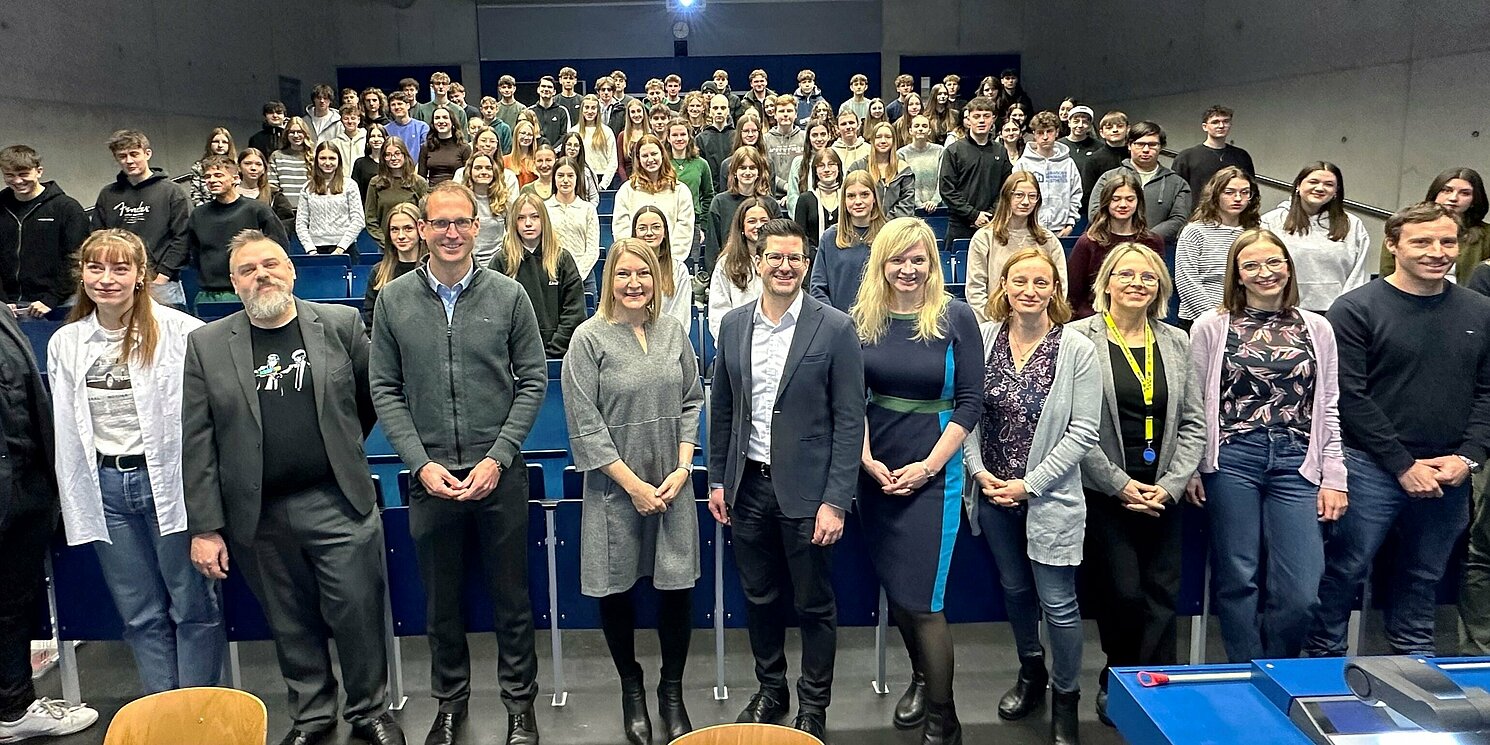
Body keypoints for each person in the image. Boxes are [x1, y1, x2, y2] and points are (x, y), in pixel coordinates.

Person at [183, 231, 403, 745]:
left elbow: (369, 400)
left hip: (337, 501)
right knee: (288, 620)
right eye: (247, 269)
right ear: (233, 282)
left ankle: (369, 711)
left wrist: (338, 447)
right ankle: (312, 715)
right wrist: (206, 527)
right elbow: (197, 440)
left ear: (292, 270)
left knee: (358, 611)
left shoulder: (341, 324)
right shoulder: (207, 345)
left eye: (270, 264)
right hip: (258, 511)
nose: (261, 275)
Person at [370, 181, 546, 745]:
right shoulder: (393, 300)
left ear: (477, 227)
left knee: (512, 601)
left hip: (500, 475)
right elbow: (384, 388)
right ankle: (450, 705)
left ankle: (520, 707)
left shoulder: (509, 296)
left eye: (461, 222)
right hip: (431, 478)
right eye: (440, 223)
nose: (451, 233)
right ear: (422, 230)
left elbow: (533, 380)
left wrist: (499, 456)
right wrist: (419, 463)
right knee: (441, 604)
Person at [1306, 202, 1490, 661]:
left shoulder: (1481, 311)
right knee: (1344, 571)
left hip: (1448, 471)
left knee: (1423, 576)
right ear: (1393, 245)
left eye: (1447, 242)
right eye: (1422, 242)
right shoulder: (1355, 309)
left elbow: (1488, 392)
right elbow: (1349, 397)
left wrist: (1468, 457)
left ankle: (1416, 666)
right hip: (1371, 467)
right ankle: (1323, 665)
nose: (1437, 251)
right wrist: (1403, 466)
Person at [47, 229, 224, 695]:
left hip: (169, 482)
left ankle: (196, 713)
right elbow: (66, 429)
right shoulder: (66, 342)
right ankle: (162, 712)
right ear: (82, 274)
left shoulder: (182, 331)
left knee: (193, 607)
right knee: (140, 614)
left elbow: (209, 414)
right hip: (106, 489)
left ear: (141, 275)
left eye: (120, 268)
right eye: (95, 268)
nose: (106, 279)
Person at [707, 218, 864, 740]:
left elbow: (850, 420)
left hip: (810, 494)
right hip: (748, 487)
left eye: (794, 258)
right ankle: (771, 688)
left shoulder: (835, 328)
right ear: (758, 261)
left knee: (814, 604)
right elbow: (723, 409)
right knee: (759, 597)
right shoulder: (733, 326)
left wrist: (836, 500)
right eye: (774, 256)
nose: (784, 266)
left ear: (806, 263)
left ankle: (813, 704)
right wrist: (717, 480)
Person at [560, 237, 704, 745]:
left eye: (643, 273)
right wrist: (634, 486)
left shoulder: (673, 332)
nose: (634, 283)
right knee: (616, 590)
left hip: (671, 485)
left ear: (656, 279)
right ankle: (632, 688)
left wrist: (683, 467)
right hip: (615, 489)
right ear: (609, 281)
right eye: (623, 274)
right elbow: (585, 423)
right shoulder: (588, 339)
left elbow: (692, 399)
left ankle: (672, 691)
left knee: (676, 590)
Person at [1184, 228, 1346, 667]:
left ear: (1288, 268)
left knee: (1301, 592)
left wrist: (1335, 476)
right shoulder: (1211, 326)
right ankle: (1247, 670)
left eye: (1274, 262)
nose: (1265, 272)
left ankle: (1278, 667)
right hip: (1232, 459)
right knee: (1238, 578)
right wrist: (1193, 467)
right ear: (1237, 275)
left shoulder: (1318, 327)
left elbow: (1328, 404)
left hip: (1297, 461)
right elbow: (1195, 403)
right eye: (1251, 265)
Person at [964, 247, 1099, 745]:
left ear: (1055, 290)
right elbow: (966, 413)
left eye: (1041, 282)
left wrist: (1030, 483)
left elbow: (1083, 432)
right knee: (1016, 591)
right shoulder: (982, 339)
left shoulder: (1077, 348)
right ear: (1004, 286)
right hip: (993, 494)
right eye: (1019, 281)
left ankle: (1066, 698)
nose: (1029, 290)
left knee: (1058, 603)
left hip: (1051, 498)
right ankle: (1031, 672)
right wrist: (979, 473)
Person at [855, 217, 981, 745]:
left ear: (933, 263)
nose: (908, 269)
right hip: (876, 472)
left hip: (935, 470)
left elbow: (970, 402)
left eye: (918, 259)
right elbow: (852, 396)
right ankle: (922, 678)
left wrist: (928, 466)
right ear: (881, 264)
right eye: (897, 260)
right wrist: (864, 457)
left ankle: (943, 719)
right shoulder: (862, 318)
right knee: (899, 591)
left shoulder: (956, 316)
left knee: (926, 601)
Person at [1068, 242, 1204, 724]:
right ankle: (1119, 676)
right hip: (1105, 490)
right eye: (1125, 274)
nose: (1137, 283)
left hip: (1163, 489)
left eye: (1147, 277)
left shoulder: (1176, 340)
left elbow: (1193, 421)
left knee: (1162, 593)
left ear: (1160, 287)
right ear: (1106, 282)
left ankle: (1155, 685)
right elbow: (1073, 424)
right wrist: (1119, 484)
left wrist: (1171, 484)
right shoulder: (1078, 338)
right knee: (1122, 593)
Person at [0, 304, 99, 744]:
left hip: (23, 490)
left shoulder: (3, 316)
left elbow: (27, 402)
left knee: (12, 604)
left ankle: (13, 708)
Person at [92, 129, 190, 308]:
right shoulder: (108, 194)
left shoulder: (172, 192)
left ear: (147, 153)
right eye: (122, 156)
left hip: (161, 284)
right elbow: (98, 238)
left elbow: (183, 238)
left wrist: (163, 275)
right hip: (118, 282)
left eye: (134, 154)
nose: (129, 161)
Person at [1258, 162, 1371, 312]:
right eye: (1313, 182)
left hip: (1336, 312)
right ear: (1298, 185)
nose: (1319, 188)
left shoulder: (1353, 225)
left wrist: (1347, 309)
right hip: (1283, 310)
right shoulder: (1270, 222)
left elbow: (1359, 275)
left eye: (1328, 184)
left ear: (1336, 191)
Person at [491, 193, 585, 359]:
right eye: (521, 218)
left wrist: (553, 351)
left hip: (558, 356)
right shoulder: (501, 261)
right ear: (514, 223)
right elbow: (494, 315)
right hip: (514, 359)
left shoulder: (562, 259)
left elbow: (574, 313)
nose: (528, 223)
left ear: (544, 220)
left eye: (534, 217)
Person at [0, 145, 89, 318]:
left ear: (39, 171)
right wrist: (2, 300)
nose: (17, 181)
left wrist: (51, 299)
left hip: (55, 304)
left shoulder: (67, 208)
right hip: (7, 305)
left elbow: (76, 258)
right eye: (9, 175)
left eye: (23, 174)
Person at [186, 156, 288, 305]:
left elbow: (279, 248)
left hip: (251, 292)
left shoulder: (258, 210)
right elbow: (194, 254)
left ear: (235, 179)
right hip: (209, 294)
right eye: (208, 176)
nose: (212, 180)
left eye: (218, 175)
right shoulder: (198, 215)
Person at [967, 173, 1069, 322]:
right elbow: (975, 289)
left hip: (1039, 323)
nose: (1026, 202)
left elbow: (1060, 287)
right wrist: (994, 323)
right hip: (995, 322)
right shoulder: (984, 238)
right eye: (1019, 195)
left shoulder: (1048, 240)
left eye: (1032, 196)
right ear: (1007, 196)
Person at [1067, 174, 1165, 319]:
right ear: (1106, 202)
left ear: (1138, 202)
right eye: (1116, 199)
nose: (1123, 204)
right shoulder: (1089, 242)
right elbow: (1073, 294)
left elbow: (1158, 287)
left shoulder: (1152, 242)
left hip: (1140, 317)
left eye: (1130, 199)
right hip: (1095, 318)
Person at [1175, 166, 1261, 324]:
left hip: (1243, 319)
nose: (1238, 198)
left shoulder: (1255, 234)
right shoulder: (1195, 231)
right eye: (1229, 192)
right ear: (1216, 195)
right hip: (1199, 319)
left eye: (1245, 192)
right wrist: (1215, 319)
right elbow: (1187, 282)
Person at [1088, 121, 1191, 244]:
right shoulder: (1109, 177)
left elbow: (1179, 218)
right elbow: (1095, 212)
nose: (1146, 150)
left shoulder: (1177, 183)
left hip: (1156, 248)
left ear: (1161, 147)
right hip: (1113, 246)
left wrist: (1147, 238)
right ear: (1129, 145)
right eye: (1140, 144)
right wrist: (1122, 236)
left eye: (1152, 145)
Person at [1386, 168, 1490, 287]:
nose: (1453, 198)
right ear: (1435, 193)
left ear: (1474, 200)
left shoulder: (1486, 235)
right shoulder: (1405, 227)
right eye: (1446, 190)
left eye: (1464, 193)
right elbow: (1387, 274)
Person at [614, 134, 696, 270]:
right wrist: (636, 257)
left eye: (654, 154)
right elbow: (621, 228)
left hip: (671, 264)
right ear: (638, 159)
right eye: (645, 156)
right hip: (637, 264)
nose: (650, 159)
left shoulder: (680, 190)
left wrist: (671, 259)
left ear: (662, 155)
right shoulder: (627, 190)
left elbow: (684, 228)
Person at [809, 170, 886, 313]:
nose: (858, 201)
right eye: (851, 196)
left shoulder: (888, 235)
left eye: (864, 194)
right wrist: (834, 319)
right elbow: (818, 288)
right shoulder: (830, 237)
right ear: (844, 201)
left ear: (874, 198)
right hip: (838, 321)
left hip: (880, 319)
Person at [939, 97, 1012, 245]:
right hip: (960, 226)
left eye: (986, 116)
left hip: (992, 224)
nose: (981, 121)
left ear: (993, 119)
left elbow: (1006, 188)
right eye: (977, 116)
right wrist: (973, 215)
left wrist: (990, 215)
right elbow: (947, 190)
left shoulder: (1000, 151)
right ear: (968, 119)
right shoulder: (953, 151)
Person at [706, 148, 780, 276]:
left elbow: (777, 241)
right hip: (729, 270)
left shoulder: (771, 204)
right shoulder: (720, 202)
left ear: (759, 172)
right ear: (734, 171)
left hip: (764, 271)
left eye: (752, 168)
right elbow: (712, 246)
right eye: (742, 168)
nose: (747, 172)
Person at [707, 197, 773, 339]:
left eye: (764, 221)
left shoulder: (779, 262)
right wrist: (733, 343)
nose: (758, 226)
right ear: (741, 227)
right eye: (752, 221)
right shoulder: (726, 264)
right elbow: (718, 314)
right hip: (737, 341)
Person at [1014, 111, 1083, 237]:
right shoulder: (1023, 164)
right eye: (1040, 132)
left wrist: (1070, 223)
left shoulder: (1068, 163)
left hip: (1061, 231)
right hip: (1029, 230)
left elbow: (1076, 194)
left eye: (1049, 131)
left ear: (1057, 132)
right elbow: (1014, 196)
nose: (1045, 137)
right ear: (1034, 134)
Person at [1171, 106, 1256, 201]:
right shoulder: (1186, 157)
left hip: (1235, 209)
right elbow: (1175, 192)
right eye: (1215, 122)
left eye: (1226, 121)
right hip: (1198, 210)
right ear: (1205, 127)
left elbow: (1252, 190)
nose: (1221, 126)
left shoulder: (1242, 156)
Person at [362, 202, 426, 329]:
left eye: (408, 228)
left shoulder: (432, 270)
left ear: (420, 230)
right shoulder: (378, 272)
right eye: (394, 229)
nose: (401, 236)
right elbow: (371, 321)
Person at [295, 142, 362, 256]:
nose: (327, 163)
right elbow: (301, 223)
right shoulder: (307, 188)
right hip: (315, 250)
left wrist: (340, 248)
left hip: (346, 249)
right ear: (316, 160)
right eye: (323, 158)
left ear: (339, 160)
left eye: (332, 158)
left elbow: (358, 220)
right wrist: (310, 250)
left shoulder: (350, 185)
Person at [364, 137, 429, 252]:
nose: (393, 158)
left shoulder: (419, 182)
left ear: (404, 155)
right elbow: (371, 219)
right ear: (383, 158)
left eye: (397, 153)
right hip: (385, 247)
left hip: (414, 246)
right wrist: (387, 242)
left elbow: (426, 215)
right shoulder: (375, 183)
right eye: (388, 155)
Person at [632, 206, 691, 331]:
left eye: (656, 227)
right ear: (635, 233)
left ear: (664, 232)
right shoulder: (625, 270)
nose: (649, 233)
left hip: (669, 337)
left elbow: (681, 316)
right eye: (642, 228)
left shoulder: (678, 270)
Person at [849, 122, 915, 219]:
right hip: (865, 222)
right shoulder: (858, 167)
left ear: (894, 140)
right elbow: (850, 197)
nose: (883, 141)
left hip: (895, 225)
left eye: (888, 137)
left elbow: (907, 204)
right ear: (872, 140)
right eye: (878, 137)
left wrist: (886, 222)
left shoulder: (903, 170)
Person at [667, 117, 716, 243]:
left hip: (693, 223)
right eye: (675, 135)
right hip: (667, 222)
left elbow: (708, 196)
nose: (679, 138)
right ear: (668, 138)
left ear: (689, 137)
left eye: (683, 134)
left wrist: (703, 226)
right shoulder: (662, 164)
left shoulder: (701, 164)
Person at [793, 149, 843, 256]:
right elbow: (800, 236)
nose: (827, 170)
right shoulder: (805, 199)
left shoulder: (847, 197)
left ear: (839, 168)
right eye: (821, 166)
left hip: (843, 257)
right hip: (813, 258)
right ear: (815, 171)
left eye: (831, 164)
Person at [1062, 106, 1109, 217]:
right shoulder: (1058, 146)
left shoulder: (1099, 147)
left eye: (1085, 122)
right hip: (1064, 203)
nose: (1080, 125)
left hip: (1089, 205)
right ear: (1069, 123)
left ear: (1090, 125)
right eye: (1076, 121)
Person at [236, 148, 296, 233]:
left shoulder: (274, 196)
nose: (253, 168)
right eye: (247, 163)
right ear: (239, 167)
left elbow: (287, 222)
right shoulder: (230, 194)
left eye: (258, 164)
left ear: (264, 169)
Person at [268, 117, 314, 222]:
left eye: (300, 132)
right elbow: (272, 186)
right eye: (292, 132)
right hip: (284, 213)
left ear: (305, 134)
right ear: (286, 134)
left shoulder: (313, 156)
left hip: (309, 211)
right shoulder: (277, 156)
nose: (296, 135)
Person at [785, 119, 834, 215]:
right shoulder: (798, 162)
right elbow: (792, 197)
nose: (819, 139)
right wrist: (801, 216)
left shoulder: (835, 160)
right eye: (814, 135)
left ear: (829, 136)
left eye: (823, 134)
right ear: (808, 137)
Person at [898, 115, 945, 214]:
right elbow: (904, 184)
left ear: (929, 131)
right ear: (910, 131)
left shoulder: (940, 151)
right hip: (910, 208)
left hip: (937, 208)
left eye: (924, 126)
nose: (920, 129)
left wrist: (934, 201)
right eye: (916, 126)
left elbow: (942, 179)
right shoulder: (901, 154)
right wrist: (918, 204)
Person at [764, 95, 806, 200]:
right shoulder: (765, 139)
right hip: (772, 196)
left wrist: (793, 192)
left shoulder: (805, 137)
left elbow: (808, 169)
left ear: (796, 114)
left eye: (789, 111)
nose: (786, 114)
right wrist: (785, 186)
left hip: (800, 194)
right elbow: (765, 170)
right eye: (782, 111)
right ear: (775, 115)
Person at [419, 108, 472, 187]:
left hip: (456, 190)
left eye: (445, 117)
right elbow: (421, 178)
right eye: (437, 118)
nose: (441, 121)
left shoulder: (464, 147)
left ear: (452, 121)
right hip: (432, 191)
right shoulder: (426, 147)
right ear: (433, 123)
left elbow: (468, 177)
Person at [575, 94, 618, 189]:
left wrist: (603, 184)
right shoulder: (574, 131)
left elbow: (613, 161)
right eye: (587, 107)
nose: (590, 111)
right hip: (581, 178)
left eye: (593, 108)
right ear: (582, 110)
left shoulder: (607, 131)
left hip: (603, 178)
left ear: (598, 110)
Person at [717, 111, 767, 194]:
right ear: (739, 133)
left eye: (754, 130)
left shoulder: (767, 163)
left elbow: (771, 197)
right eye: (746, 131)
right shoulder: (727, 164)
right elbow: (724, 196)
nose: (750, 134)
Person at [189, 128, 237, 206]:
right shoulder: (199, 167)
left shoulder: (237, 166)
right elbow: (196, 195)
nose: (220, 145)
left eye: (224, 142)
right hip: (206, 208)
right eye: (216, 141)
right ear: (210, 144)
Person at [697, 94, 737, 188]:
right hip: (709, 188)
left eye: (723, 108)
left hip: (733, 188)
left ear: (728, 111)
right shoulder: (701, 139)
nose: (719, 111)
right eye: (715, 108)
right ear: (710, 112)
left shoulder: (736, 136)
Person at [385, 92, 430, 163]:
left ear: (408, 106)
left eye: (400, 104)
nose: (397, 107)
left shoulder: (422, 127)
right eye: (393, 105)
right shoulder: (386, 129)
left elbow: (426, 152)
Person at [529, 76, 573, 148]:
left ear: (554, 92)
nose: (546, 89)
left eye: (549, 87)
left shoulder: (562, 111)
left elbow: (565, 136)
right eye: (543, 86)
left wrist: (552, 151)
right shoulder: (530, 111)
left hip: (556, 153)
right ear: (538, 90)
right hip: (535, 153)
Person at [329, 104, 367, 178]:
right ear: (341, 121)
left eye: (353, 118)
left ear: (358, 120)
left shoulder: (366, 138)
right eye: (346, 118)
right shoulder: (335, 143)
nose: (350, 121)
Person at [617, 99, 650, 182]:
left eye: (639, 111)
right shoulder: (622, 136)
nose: (636, 115)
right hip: (628, 179)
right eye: (633, 112)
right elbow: (620, 165)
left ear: (643, 112)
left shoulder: (651, 134)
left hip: (648, 179)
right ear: (628, 115)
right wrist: (626, 182)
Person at [352, 123, 387, 200]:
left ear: (385, 139)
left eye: (379, 136)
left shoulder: (390, 162)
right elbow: (355, 190)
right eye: (372, 136)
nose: (376, 139)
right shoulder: (360, 163)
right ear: (368, 140)